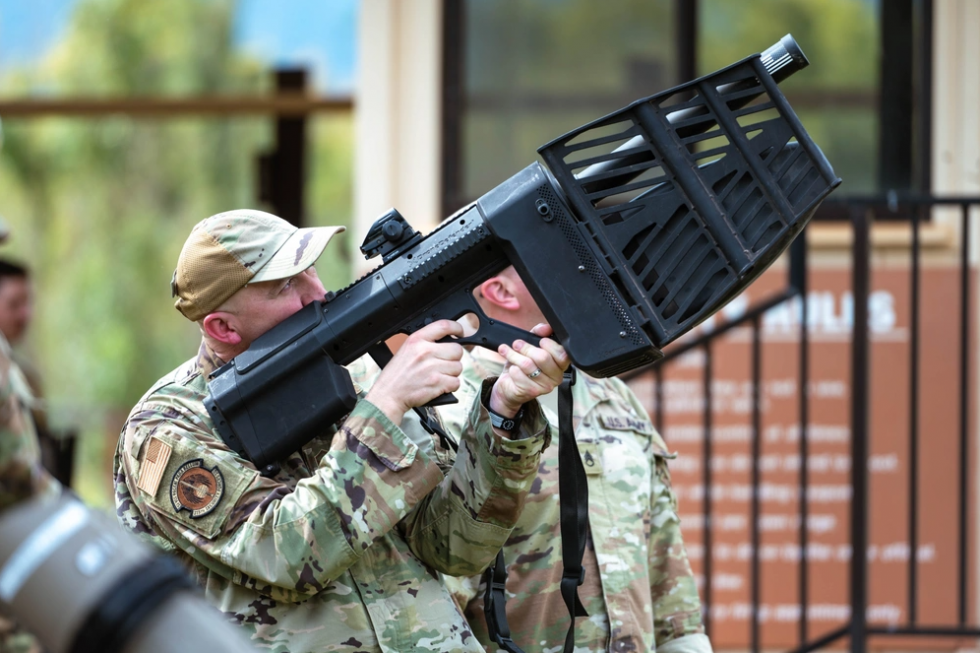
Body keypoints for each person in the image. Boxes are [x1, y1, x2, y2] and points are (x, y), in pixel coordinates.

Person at [113, 209, 569, 653]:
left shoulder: (352, 383)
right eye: (288, 285)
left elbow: (453, 546)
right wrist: (386, 407)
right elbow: (282, 556)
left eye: (311, 271)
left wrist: (502, 413)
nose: (321, 293)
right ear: (223, 326)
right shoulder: (167, 427)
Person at [440, 266, 713, 653]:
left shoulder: (611, 393)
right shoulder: (451, 410)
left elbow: (665, 568)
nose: (585, 271)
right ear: (501, 291)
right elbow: (441, 599)